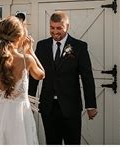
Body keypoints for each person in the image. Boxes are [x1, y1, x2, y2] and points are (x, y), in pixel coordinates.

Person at [28, 11, 96, 145]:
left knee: (72, 142)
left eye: (59, 28)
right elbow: (34, 76)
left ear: (67, 27)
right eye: (52, 28)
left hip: (71, 107)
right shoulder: (42, 46)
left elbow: (87, 77)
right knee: (52, 142)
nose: (55, 32)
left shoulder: (79, 47)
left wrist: (91, 105)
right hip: (48, 107)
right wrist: (29, 101)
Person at [0, 16, 45, 145]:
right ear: (19, 37)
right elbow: (41, 75)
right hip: (19, 118)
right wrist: (31, 51)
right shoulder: (27, 60)